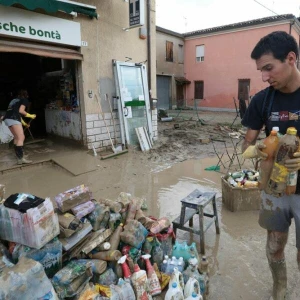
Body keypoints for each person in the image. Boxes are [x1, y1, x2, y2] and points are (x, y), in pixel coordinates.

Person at [241, 31, 300, 300]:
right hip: (274, 190)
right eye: (261, 70)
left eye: (268, 68)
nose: (264, 77)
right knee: (275, 245)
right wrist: (258, 149)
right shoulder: (262, 100)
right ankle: (280, 286)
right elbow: (246, 146)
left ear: (291, 59)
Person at [2, 89, 36, 164]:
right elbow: (21, 111)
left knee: (17, 137)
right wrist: (31, 116)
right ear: (26, 95)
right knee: (21, 138)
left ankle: (19, 157)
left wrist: (25, 124)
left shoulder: (13, 100)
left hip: (7, 119)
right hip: (14, 118)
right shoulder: (24, 100)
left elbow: (17, 114)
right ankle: (20, 159)